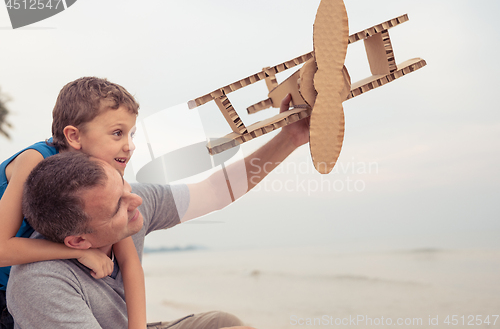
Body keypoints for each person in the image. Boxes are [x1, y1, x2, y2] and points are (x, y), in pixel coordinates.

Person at [7, 87, 310, 328]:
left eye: (130, 134)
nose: (135, 201)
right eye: (116, 134)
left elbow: (215, 191)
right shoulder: (40, 281)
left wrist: (290, 137)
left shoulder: (128, 196)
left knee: (223, 323)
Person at [0, 77, 147, 329]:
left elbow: (129, 261)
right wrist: (79, 251)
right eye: (117, 133)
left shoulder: (104, 177)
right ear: (74, 136)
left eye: (131, 134)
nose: (129, 145)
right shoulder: (35, 161)